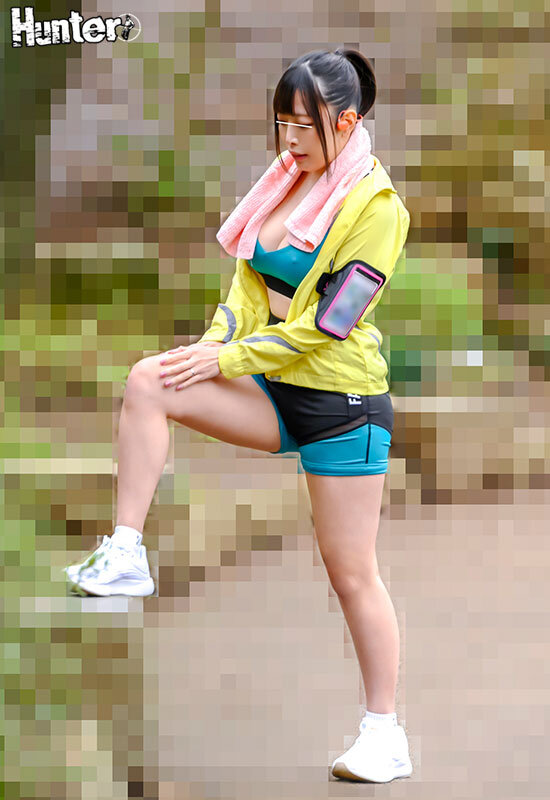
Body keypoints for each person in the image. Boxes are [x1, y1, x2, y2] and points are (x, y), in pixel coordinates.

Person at [63, 47, 412, 783]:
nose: (289, 140)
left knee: (351, 573)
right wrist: (212, 345)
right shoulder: (283, 184)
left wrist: (227, 359)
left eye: (305, 126)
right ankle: (126, 552)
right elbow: (245, 292)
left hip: (343, 404)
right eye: (282, 123)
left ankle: (384, 733)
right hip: (271, 383)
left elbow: (331, 324)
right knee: (152, 381)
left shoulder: (378, 209)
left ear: (347, 123)